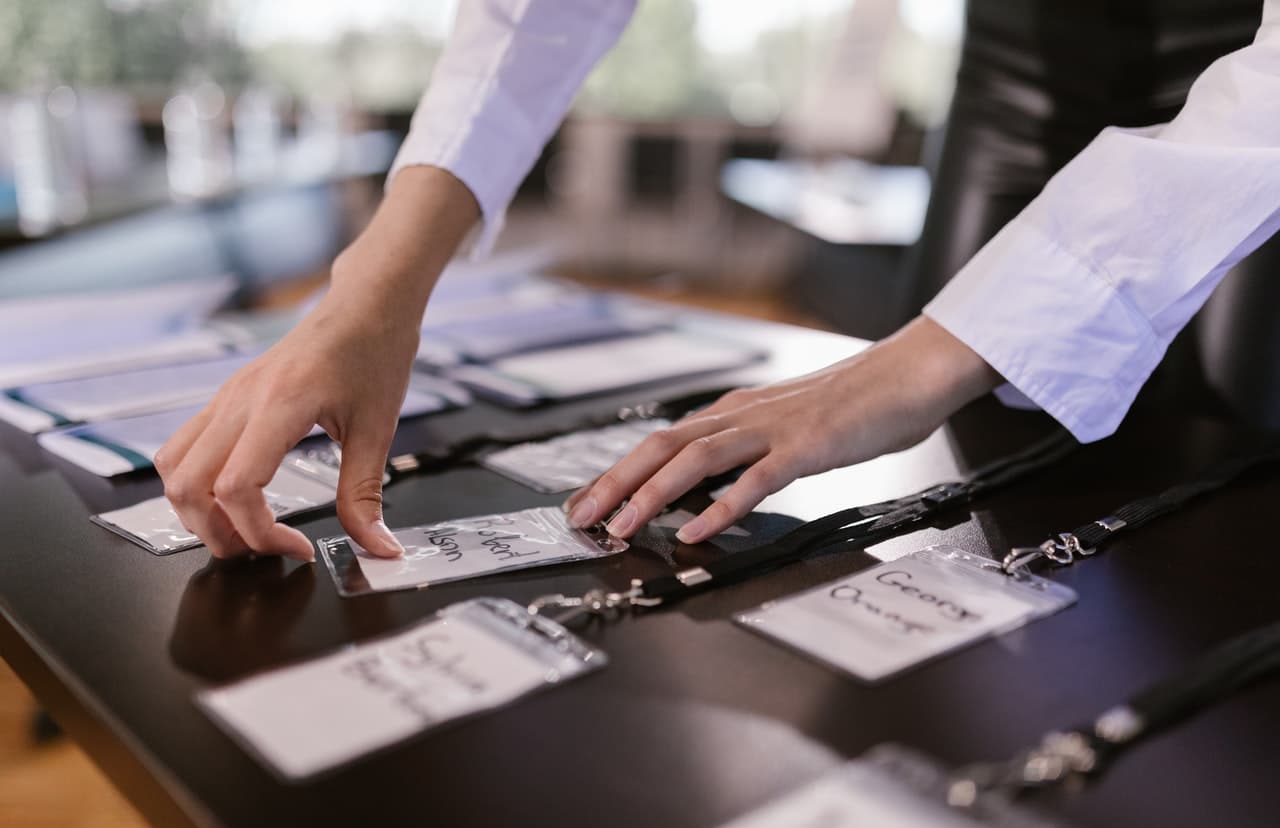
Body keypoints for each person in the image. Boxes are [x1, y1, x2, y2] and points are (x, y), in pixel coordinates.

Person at [155, 0, 1280, 562]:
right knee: (970, 510)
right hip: (1023, 57)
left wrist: (899, 365)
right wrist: (370, 290)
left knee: (1228, 500)